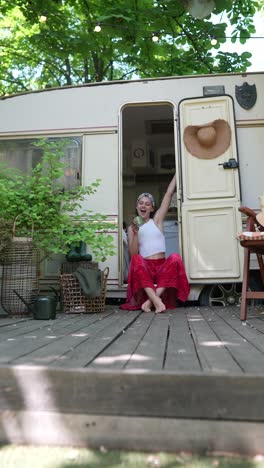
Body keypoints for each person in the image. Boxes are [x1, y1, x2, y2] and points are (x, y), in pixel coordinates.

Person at [120, 175, 190, 313]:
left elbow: (169, 194)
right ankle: (158, 302)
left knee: (175, 257)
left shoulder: (156, 220)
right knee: (137, 259)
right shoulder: (132, 227)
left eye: (147, 204)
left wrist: (178, 172)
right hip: (146, 268)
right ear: (136, 206)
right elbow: (133, 254)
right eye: (141, 203)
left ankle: (150, 302)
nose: (143, 206)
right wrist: (134, 233)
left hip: (161, 267)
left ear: (152, 209)